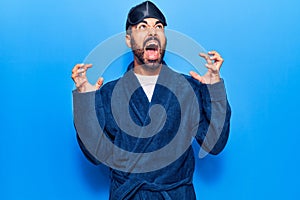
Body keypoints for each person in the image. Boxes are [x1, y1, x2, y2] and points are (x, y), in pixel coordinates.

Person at [71, 1, 231, 199]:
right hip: (130, 195)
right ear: (128, 40)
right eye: (142, 26)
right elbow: (95, 155)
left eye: (159, 27)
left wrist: (213, 88)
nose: (153, 32)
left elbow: (215, 145)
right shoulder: (109, 93)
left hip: (175, 194)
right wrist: (86, 101)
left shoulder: (188, 88)